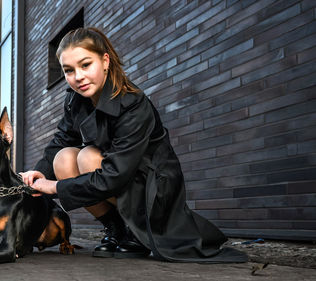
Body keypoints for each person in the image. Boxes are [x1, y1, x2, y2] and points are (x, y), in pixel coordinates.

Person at [20, 27, 247, 262]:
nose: (78, 77)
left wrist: (54, 187)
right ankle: (118, 229)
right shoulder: (76, 100)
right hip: (118, 177)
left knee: (87, 157)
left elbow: (115, 174)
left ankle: (137, 233)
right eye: (69, 70)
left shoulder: (133, 104)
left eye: (86, 65)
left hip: (152, 186)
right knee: (64, 158)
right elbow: (62, 139)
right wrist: (40, 174)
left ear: (105, 60)